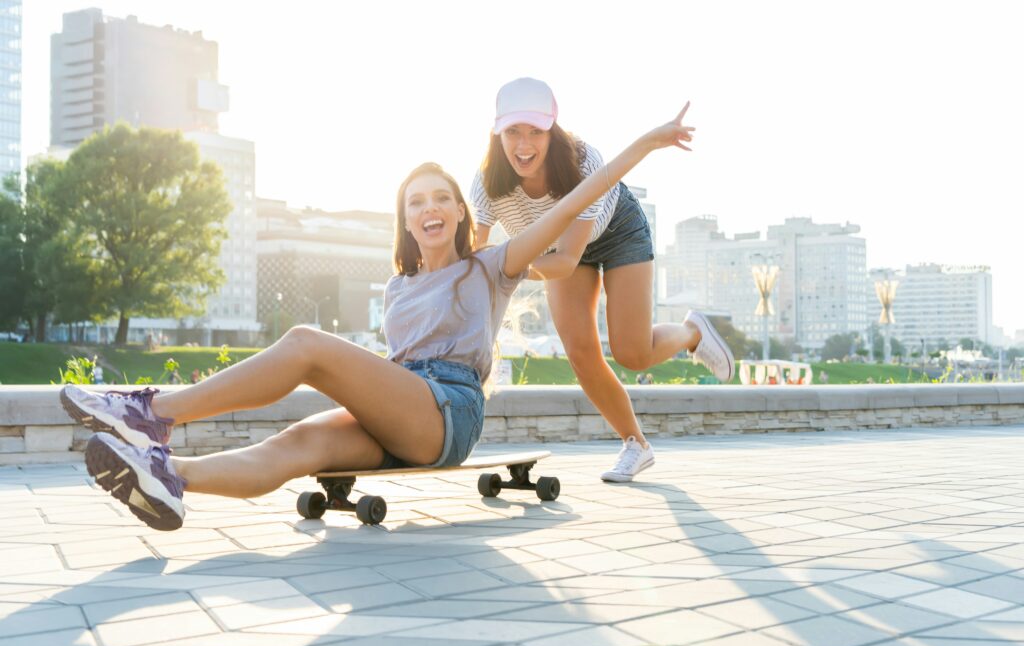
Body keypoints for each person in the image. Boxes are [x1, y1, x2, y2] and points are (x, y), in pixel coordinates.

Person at [58, 106, 695, 532]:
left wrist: (645, 143)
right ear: (407, 220)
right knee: (297, 445)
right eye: (417, 202)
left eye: (443, 197)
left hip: (446, 409)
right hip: (400, 402)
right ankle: (170, 478)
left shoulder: (494, 265)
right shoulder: (398, 286)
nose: (432, 208)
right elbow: (389, 370)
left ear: (461, 214)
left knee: (307, 344)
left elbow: (578, 199)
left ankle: (151, 412)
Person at [471, 78, 734, 483]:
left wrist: (509, 265)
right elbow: (474, 258)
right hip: (554, 252)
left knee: (633, 353)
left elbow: (566, 259)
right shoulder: (487, 183)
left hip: (615, 233)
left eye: (536, 132)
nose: (524, 145)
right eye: (513, 132)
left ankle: (691, 333)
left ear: (552, 129)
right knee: (580, 352)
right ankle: (636, 445)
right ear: (497, 132)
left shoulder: (581, 163)